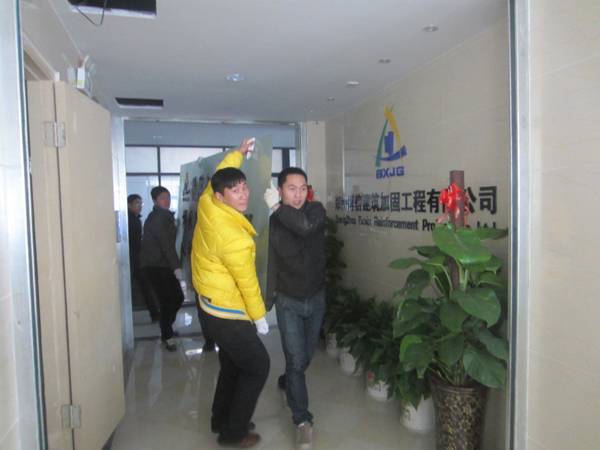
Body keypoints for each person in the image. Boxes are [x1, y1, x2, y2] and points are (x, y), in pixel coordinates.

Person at [191, 138, 270, 448]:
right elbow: (248, 283)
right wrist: (260, 318)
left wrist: (237, 154)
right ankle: (233, 432)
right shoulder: (234, 237)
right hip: (226, 312)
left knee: (233, 365)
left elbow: (220, 174)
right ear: (221, 196)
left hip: (208, 304)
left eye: (244, 187)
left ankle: (221, 418)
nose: (244, 194)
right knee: (258, 366)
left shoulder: (207, 202)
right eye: (235, 191)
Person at [264, 167, 326, 450]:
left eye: (303, 188)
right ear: (279, 190)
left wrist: (279, 208)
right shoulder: (272, 223)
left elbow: (304, 228)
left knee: (303, 359)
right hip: (288, 300)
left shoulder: (315, 211)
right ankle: (302, 420)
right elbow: (270, 265)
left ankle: (286, 380)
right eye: (291, 188)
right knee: (296, 358)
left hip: (315, 298)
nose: (298, 194)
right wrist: (265, 304)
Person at [140, 186, 184, 352]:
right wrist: (177, 266)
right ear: (154, 201)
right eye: (162, 198)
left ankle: (168, 327)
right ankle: (167, 336)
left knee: (178, 297)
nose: (166, 201)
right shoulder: (158, 218)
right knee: (167, 301)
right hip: (154, 266)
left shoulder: (165, 216)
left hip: (163, 264)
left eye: (168, 197)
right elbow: (166, 244)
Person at [127, 194, 160, 322]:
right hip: (130, 259)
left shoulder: (136, 219)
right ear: (129, 205)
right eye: (137, 203)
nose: (140, 206)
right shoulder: (128, 221)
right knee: (142, 286)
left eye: (141, 203)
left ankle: (154, 313)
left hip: (137, 259)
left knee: (145, 286)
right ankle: (154, 313)